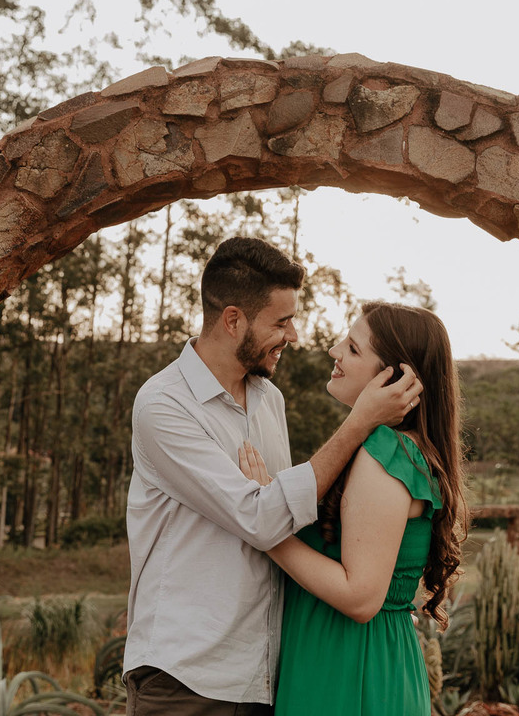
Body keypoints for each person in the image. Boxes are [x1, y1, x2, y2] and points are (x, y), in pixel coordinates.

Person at [123, 237, 423, 716]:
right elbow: (261, 518)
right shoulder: (164, 405)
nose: (296, 336)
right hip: (188, 679)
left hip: (264, 677)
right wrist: (359, 422)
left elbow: (281, 514)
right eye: (282, 322)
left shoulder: (269, 400)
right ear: (234, 319)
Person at [240, 301, 468, 716]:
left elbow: (361, 596)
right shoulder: (390, 449)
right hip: (352, 660)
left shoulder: (388, 452)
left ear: (393, 378)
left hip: (350, 667)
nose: (334, 351)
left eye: (354, 348)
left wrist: (264, 527)